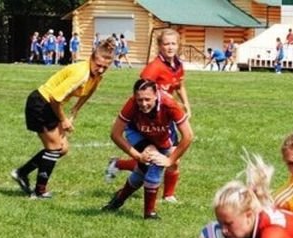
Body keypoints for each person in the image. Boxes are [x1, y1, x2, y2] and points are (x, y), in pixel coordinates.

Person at [10, 37, 117, 198]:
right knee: (54, 147)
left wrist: (74, 111)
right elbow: (55, 98)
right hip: (41, 103)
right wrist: (63, 119)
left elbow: (89, 92)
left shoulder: (96, 75)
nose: (101, 70)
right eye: (99, 65)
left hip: (50, 105)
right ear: (91, 59)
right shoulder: (81, 73)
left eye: (105, 67)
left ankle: (21, 172)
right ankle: (39, 191)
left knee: (63, 148)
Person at [105, 29, 192, 203]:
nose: (170, 47)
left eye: (173, 43)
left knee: (172, 159)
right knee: (153, 159)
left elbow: (179, 85)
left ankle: (167, 194)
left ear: (178, 45)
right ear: (159, 46)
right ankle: (158, 196)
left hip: (166, 117)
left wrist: (186, 105)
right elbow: (142, 89)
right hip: (149, 119)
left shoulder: (177, 64)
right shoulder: (154, 67)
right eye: (166, 44)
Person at [101, 79, 193, 219]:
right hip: (136, 133)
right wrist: (137, 156)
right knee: (154, 160)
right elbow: (115, 134)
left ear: (156, 94)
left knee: (141, 172)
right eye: (139, 100)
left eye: (147, 99)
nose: (143, 104)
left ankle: (118, 200)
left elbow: (188, 136)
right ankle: (149, 213)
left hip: (162, 138)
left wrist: (170, 160)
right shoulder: (131, 104)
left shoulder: (169, 104)